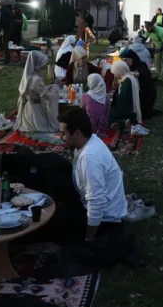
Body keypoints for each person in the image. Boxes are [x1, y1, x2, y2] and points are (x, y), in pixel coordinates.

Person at [55, 109, 133, 263]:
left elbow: (97, 202)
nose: (61, 137)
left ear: (77, 133)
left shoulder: (89, 158)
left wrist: (89, 238)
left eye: (64, 133)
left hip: (106, 219)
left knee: (56, 223)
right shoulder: (91, 141)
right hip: (105, 208)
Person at [17, 51, 61, 133]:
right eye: (44, 62)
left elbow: (34, 90)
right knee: (46, 128)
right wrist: (56, 86)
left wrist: (48, 87)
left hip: (28, 109)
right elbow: (47, 97)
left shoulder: (29, 76)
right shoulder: (36, 79)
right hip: (35, 111)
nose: (46, 64)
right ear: (39, 64)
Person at [119, 48, 157, 119]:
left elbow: (142, 78)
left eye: (126, 60)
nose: (125, 62)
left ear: (132, 59)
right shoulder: (136, 66)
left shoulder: (141, 68)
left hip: (145, 99)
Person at [109, 60, 143, 130]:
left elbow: (123, 100)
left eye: (115, 73)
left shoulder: (127, 81)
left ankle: (122, 122)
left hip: (128, 109)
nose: (115, 75)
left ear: (119, 71)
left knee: (109, 113)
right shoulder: (130, 76)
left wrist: (113, 98)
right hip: (130, 106)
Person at [82, 73, 110, 137]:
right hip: (103, 127)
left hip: (89, 127)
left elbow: (82, 110)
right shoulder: (106, 97)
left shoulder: (86, 96)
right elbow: (107, 113)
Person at [0, 0, 15, 64]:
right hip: (8, 29)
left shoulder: (3, 11)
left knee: (4, 44)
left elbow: (1, 21)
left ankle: (7, 59)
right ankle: (6, 56)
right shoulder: (8, 10)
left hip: (6, 29)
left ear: (0, 4)